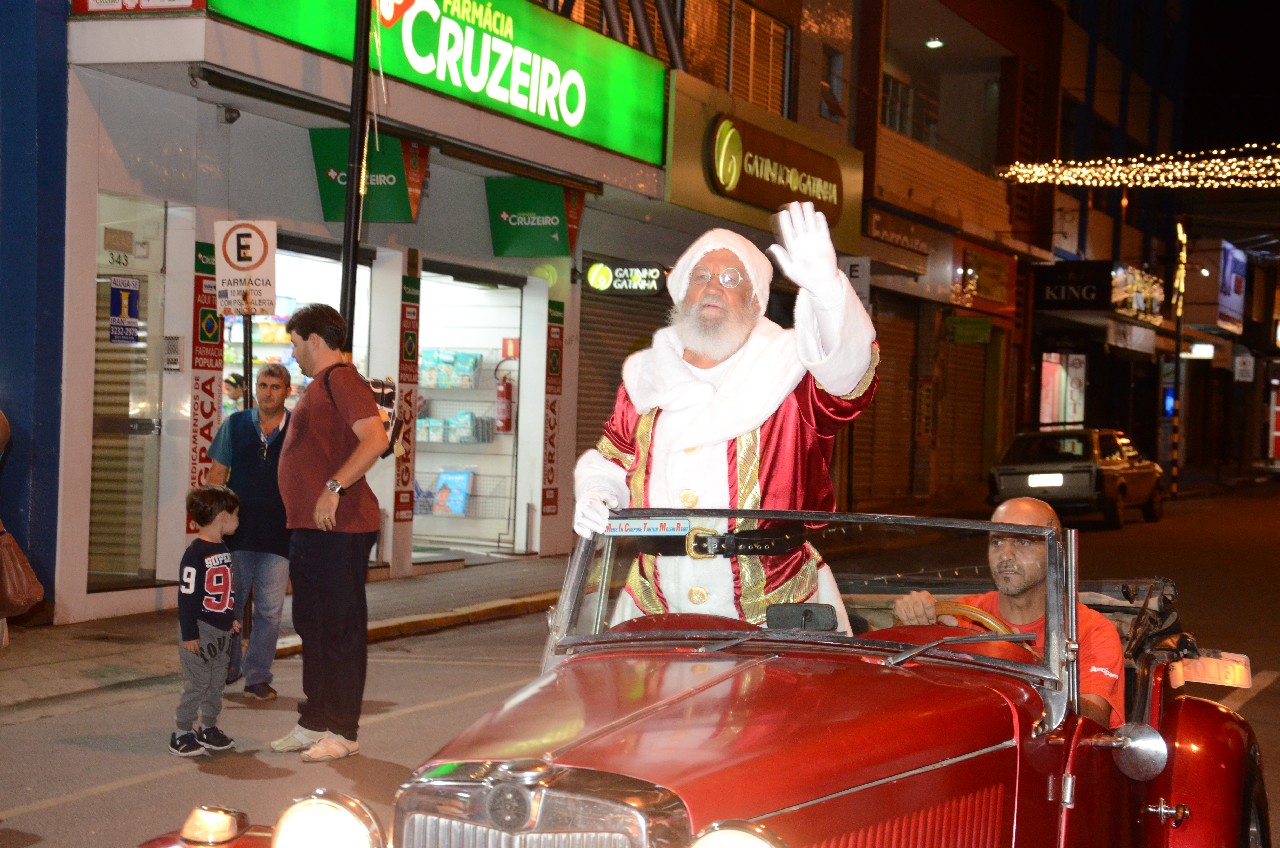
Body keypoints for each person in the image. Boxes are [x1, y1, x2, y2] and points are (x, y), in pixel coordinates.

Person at [573, 201, 879, 634]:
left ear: (756, 302)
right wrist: (597, 492)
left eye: (732, 279)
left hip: (775, 616)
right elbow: (616, 459)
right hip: (656, 612)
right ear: (683, 292)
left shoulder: (792, 368)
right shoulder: (646, 377)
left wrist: (828, 293)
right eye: (702, 276)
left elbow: (848, 379)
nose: (714, 287)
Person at [892, 497, 1124, 728]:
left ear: (1055, 552)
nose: (1005, 555)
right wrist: (911, 618)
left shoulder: (1092, 630)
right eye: (997, 541)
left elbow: (1094, 723)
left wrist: (1031, 670)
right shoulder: (961, 617)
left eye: (1022, 542)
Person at [271, 303, 385, 763]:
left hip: (340, 528)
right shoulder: (319, 385)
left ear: (315, 340)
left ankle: (343, 730)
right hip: (310, 528)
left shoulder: (342, 380)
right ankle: (314, 720)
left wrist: (334, 488)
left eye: (296, 343)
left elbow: (374, 439)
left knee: (340, 630)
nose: (294, 353)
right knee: (313, 628)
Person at [208, 363, 292, 701]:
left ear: (287, 391)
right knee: (229, 605)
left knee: (269, 612)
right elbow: (216, 475)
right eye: (263, 385)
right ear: (255, 388)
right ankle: (229, 668)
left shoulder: (298, 428)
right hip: (237, 534)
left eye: (275, 386)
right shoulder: (235, 424)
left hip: (279, 535)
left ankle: (257, 677)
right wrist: (214, 523)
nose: (268, 392)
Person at [171, 485, 242, 757]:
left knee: (216, 682)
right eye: (236, 515)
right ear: (223, 516)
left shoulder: (223, 548)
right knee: (198, 683)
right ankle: (182, 731)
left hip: (221, 631)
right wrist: (189, 634)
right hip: (199, 632)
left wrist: (231, 619)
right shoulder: (195, 554)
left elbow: (225, 590)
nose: (238, 520)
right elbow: (187, 597)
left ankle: (209, 727)